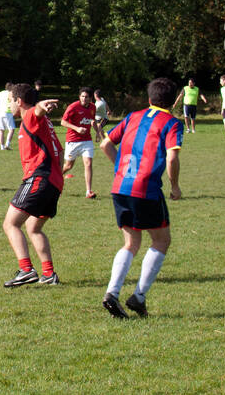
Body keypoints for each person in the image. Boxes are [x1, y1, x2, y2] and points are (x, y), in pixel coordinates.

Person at [99, 78, 184, 318]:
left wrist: (122, 168)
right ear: (174, 100)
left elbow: (105, 144)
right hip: (146, 189)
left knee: (130, 243)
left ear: (149, 99)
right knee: (161, 241)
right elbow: (171, 158)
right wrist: (175, 186)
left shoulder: (132, 117)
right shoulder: (172, 123)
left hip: (120, 186)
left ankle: (111, 294)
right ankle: (138, 296)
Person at [2, 84, 64, 287]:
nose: (9, 104)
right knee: (33, 227)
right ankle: (48, 274)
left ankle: (26, 270)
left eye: (11, 100)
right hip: (54, 183)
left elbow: (35, 111)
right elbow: (60, 152)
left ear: (19, 101)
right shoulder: (46, 123)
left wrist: (39, 105)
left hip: (39, 178)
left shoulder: (30, 116)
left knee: (10, 224)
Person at [59, 87, 99, 199]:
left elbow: (92, 120)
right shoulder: (73, 107)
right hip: (73, 140)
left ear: (91, 98)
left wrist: (97, 132)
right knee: (68, 166)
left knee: (88, 163)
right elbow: (63, 122)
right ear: (79, 97)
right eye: (82, 96)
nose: (84, 99)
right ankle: (54, 178)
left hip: (87, 140)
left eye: (86, 97)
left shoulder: (92, 107)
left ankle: (88, 191)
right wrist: (76, 129)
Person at [0, 82, 16, 150]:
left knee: (1, 130)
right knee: (11, 129)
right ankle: (7, 144)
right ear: (11, 87)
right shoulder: (11, 93)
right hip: (7, 112)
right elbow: (12, 102)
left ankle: (2, 147)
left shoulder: (1, 93)